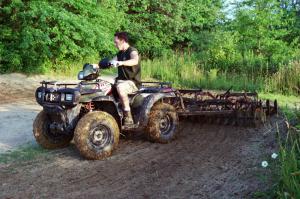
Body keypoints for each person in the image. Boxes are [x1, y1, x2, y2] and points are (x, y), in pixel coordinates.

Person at [94, 32, 141, 125]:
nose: (115, 44)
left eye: (116, 42)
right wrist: (97, 66)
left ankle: (128, 116)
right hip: (121, 81)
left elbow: (135, 60)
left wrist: (121, 63)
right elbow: (111, 62)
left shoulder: (132, 51)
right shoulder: (120, 54)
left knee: (120, 87)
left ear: (123, 41)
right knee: (102, 86)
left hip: (132, 82)